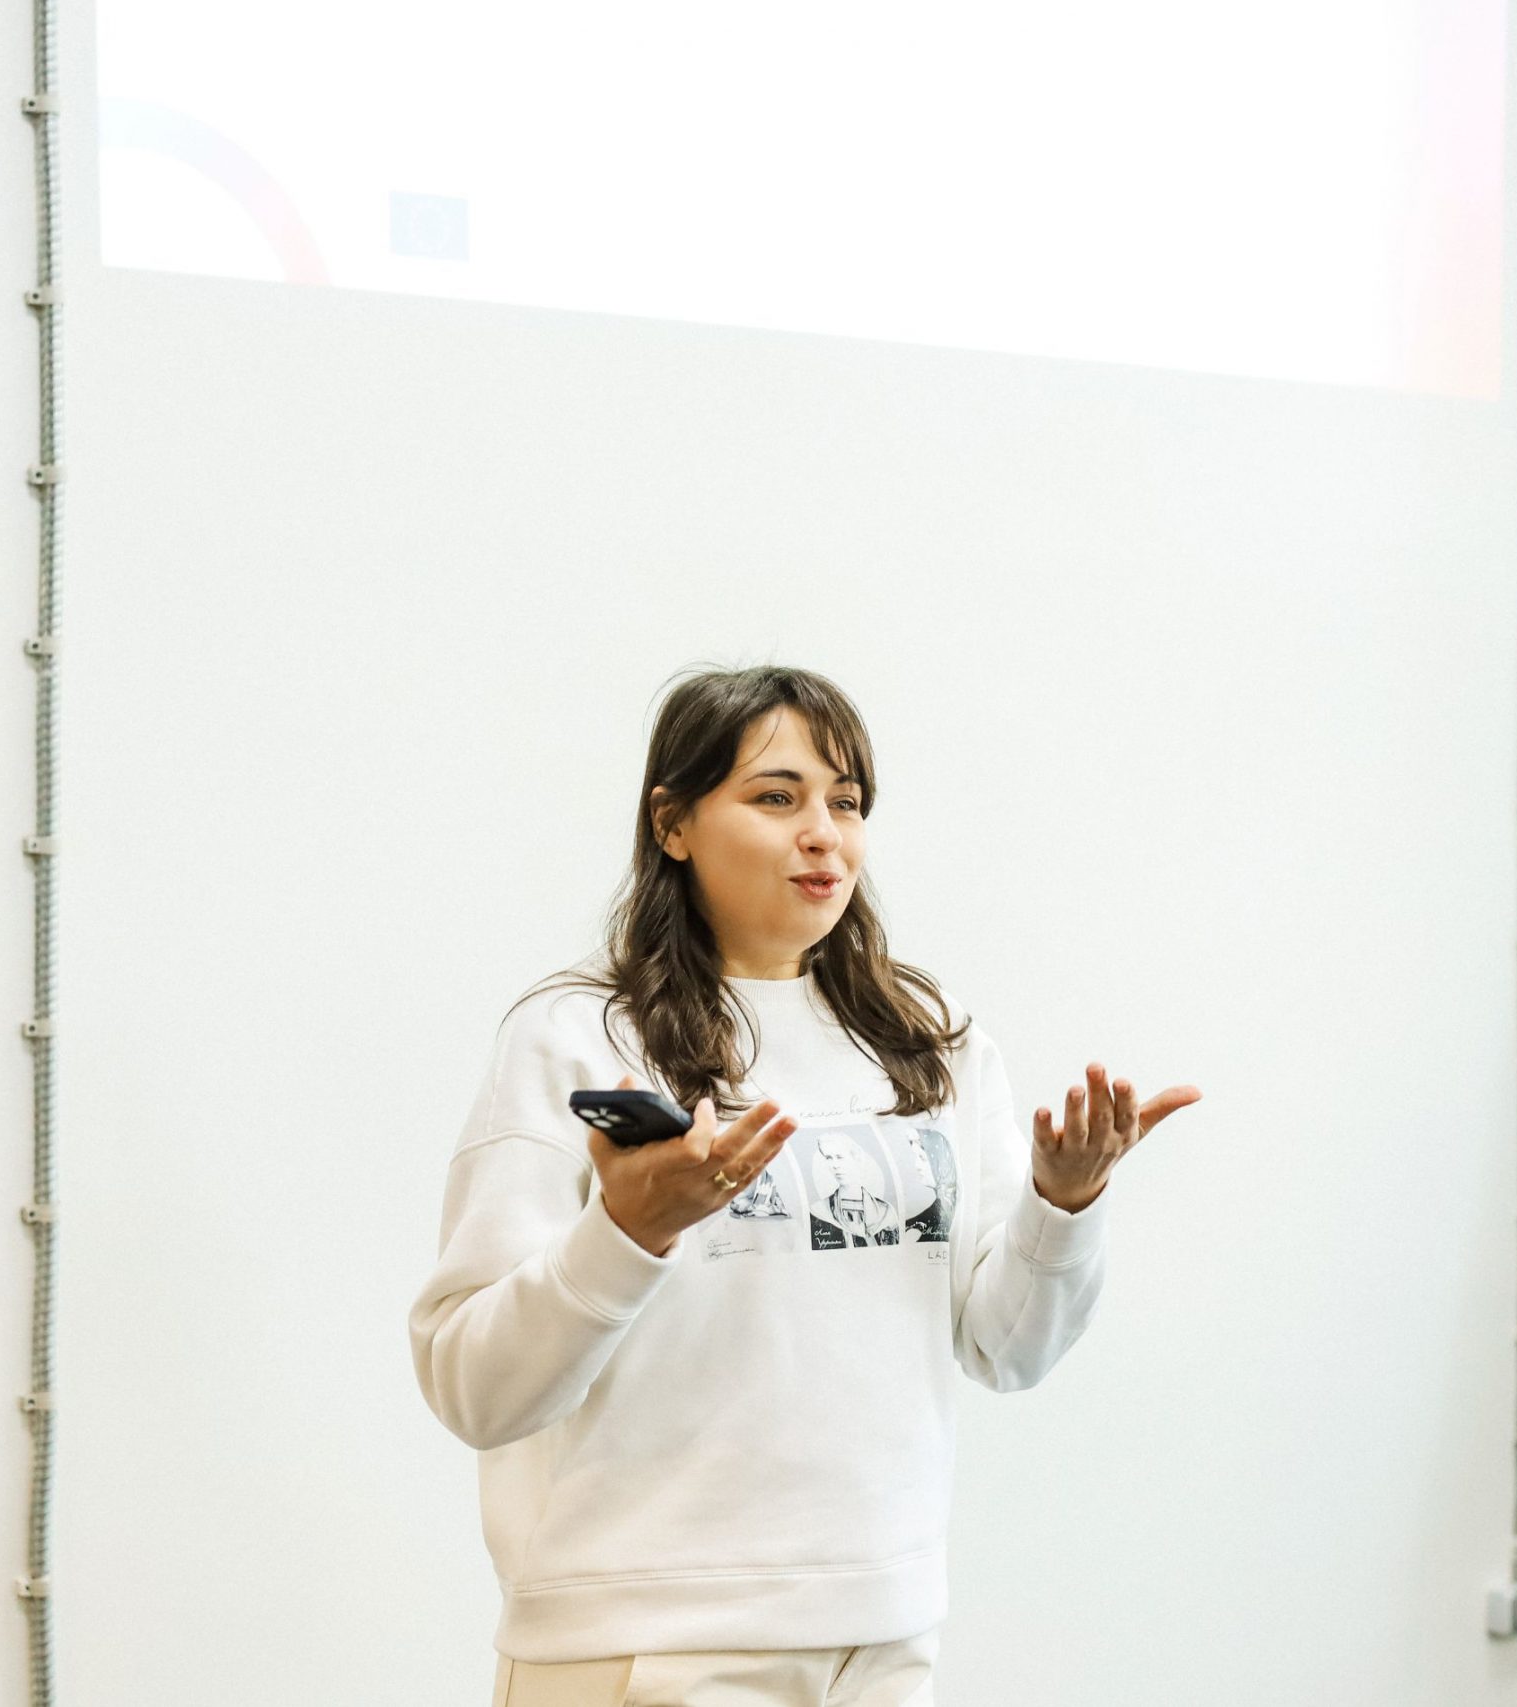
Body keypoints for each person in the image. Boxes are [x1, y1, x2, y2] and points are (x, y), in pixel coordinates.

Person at [409, 664, 1200, 1706]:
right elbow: (474, 1386)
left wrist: (1063, 1204)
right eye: (776, 797)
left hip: (881, 1641)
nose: (823, 834)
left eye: (847, 802)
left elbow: (1007, 1348)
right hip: (646, 1644)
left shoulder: (931, 1045)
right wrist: (627, 1234)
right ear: (673, 824)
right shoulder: (577, 1038)